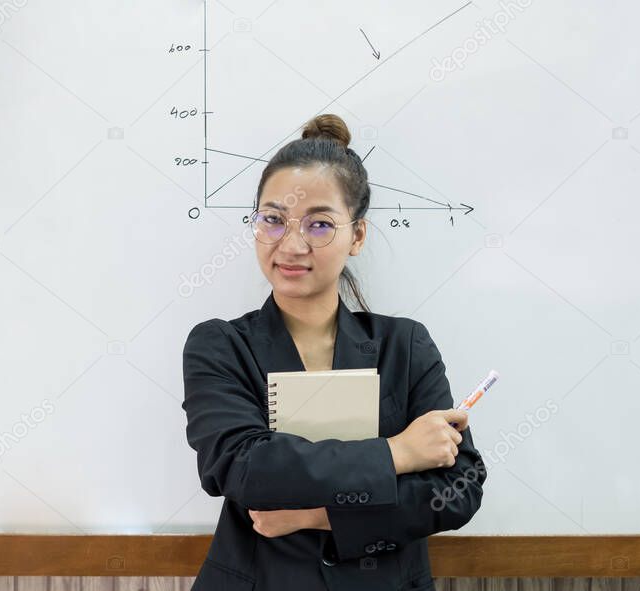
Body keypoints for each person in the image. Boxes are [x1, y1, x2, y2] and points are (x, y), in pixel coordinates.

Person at [181, 113, 487, 590]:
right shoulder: (220, 345)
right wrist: (398, 453)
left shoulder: (405, 345)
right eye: (273, 219)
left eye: (320, 224)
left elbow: (456, 493)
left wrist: (318, 514)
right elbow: (243, 468)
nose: (292, 243)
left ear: (357, 236)